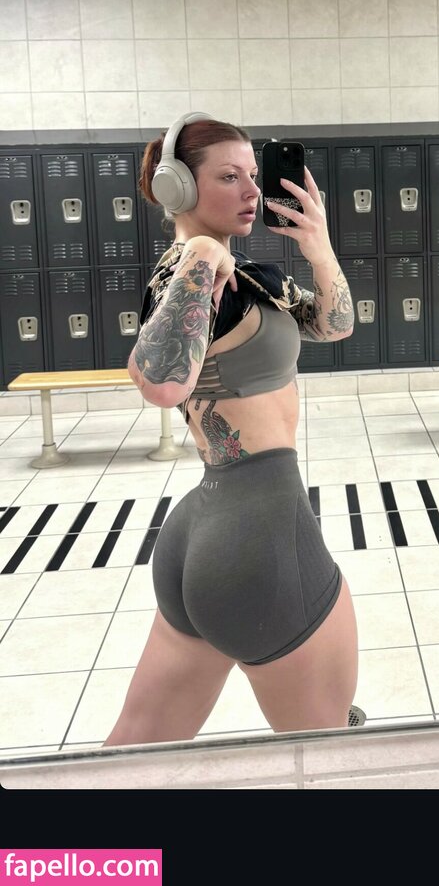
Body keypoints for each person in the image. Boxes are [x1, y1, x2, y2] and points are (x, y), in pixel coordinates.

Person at [103, 113, 359, 746]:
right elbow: (161, 383)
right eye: (228, 177)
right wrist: (199, 254)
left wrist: (319, 245)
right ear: (178, 188)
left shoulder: (250, 278)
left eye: (253, 175)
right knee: (329, 760)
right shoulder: (184, 275)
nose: (251, 190)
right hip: (260, 544)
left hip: (206, 532)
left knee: (136, 748)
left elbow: (332, 325)